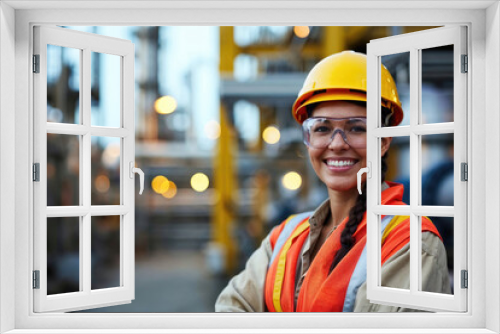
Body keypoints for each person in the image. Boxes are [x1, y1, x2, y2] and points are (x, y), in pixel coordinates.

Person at [215, 51, 451, 312]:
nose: (337, 144)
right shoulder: (284, 237)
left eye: (356, 128)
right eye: (322, 128)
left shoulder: (411, 244)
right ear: (308, 140)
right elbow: (230, 310)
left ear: (384, 141)